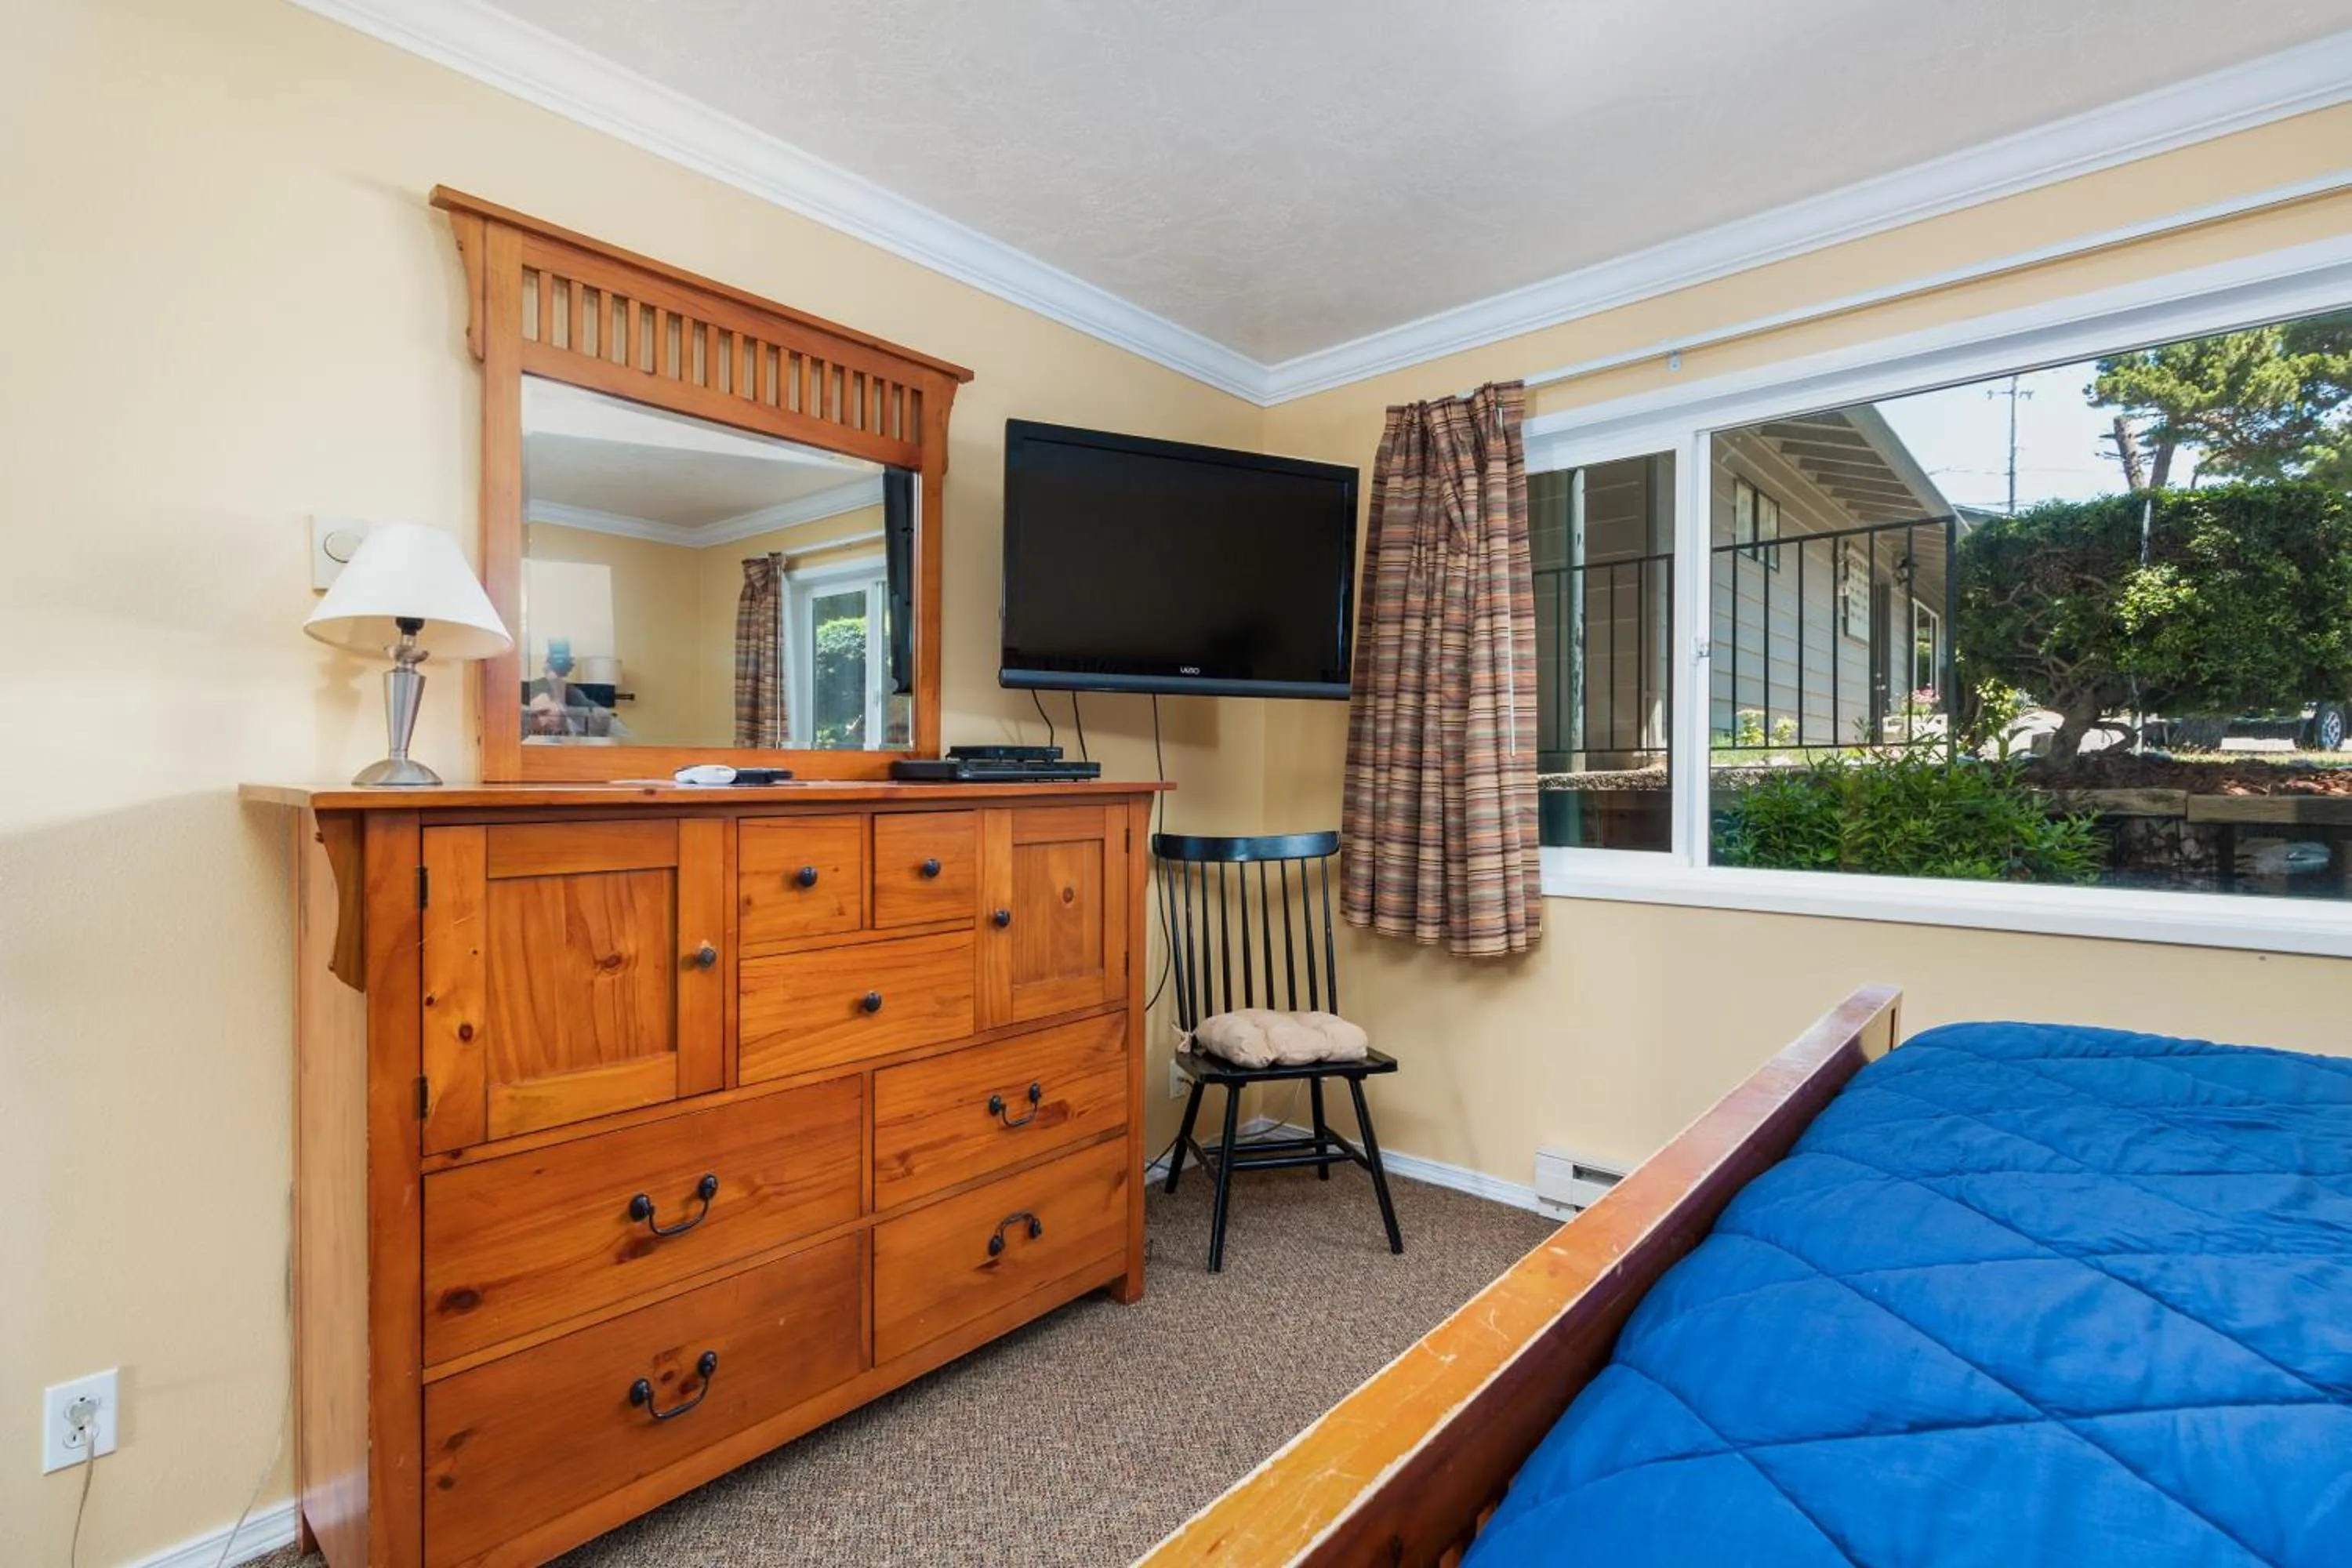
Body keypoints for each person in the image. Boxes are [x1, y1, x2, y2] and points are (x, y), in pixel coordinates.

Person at [522, 639, 630, 740]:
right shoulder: (524, 721)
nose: (542, 722)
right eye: (534, 716)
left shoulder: (593, 716)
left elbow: (627, 740)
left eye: (545, 712)